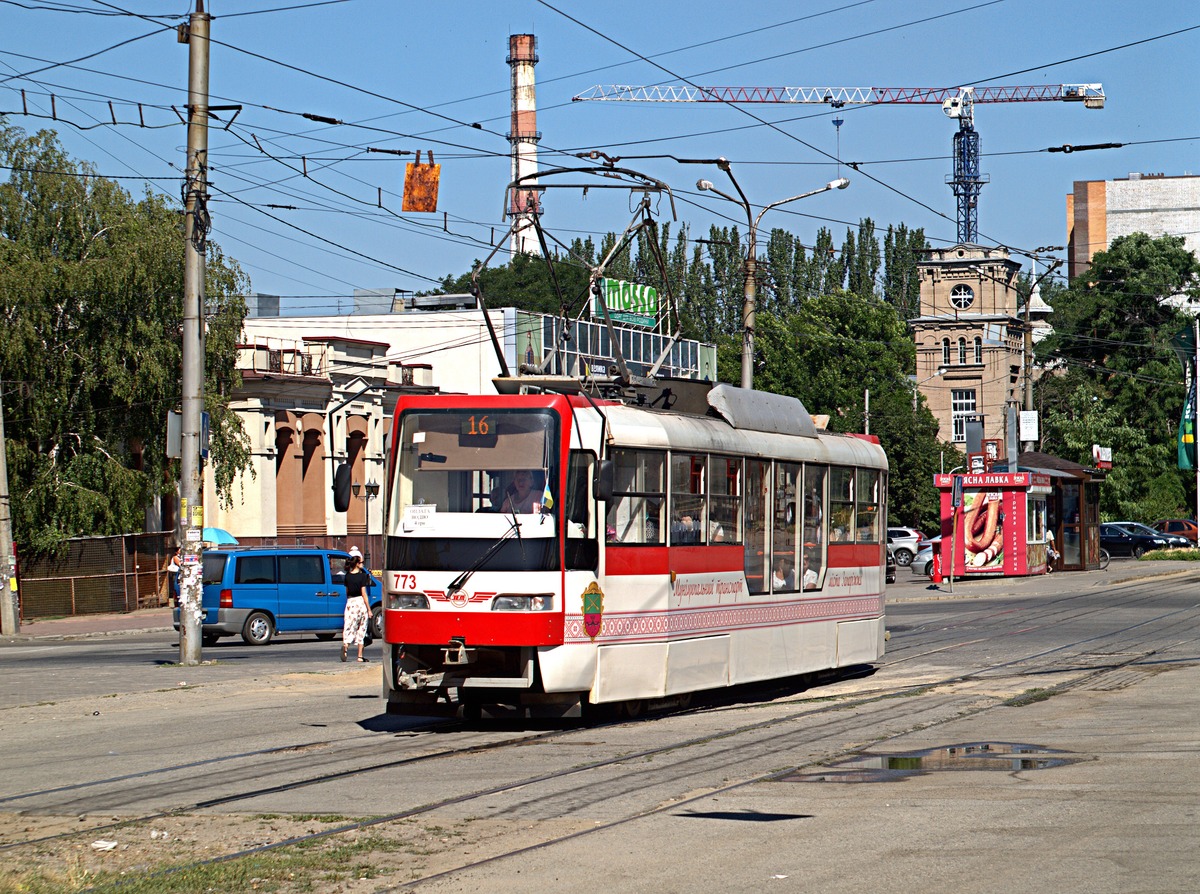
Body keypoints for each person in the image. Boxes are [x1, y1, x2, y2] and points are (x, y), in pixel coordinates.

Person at [341, 554, 372, 663]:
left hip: (350, 602)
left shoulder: (347, 576)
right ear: (357, 564)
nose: (363, 564)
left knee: (349, 626)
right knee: (361, 628)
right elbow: (364, 593)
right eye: (362, 562)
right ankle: (359, 656)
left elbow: (347, 592)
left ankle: (345, 646)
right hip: (360, 602)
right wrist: (369, 609)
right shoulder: (362, 576)